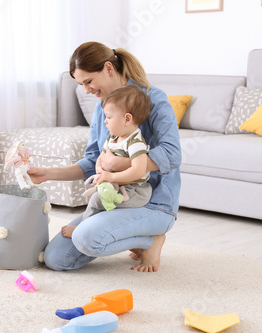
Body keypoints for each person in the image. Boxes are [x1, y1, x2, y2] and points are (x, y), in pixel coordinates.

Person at [27, 42, 181, 272]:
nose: (86, 90)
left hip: (153, 204)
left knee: (85, 238)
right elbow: (91, 161)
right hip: (116, 199)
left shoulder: (153, 99)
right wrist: (48, 174)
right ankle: (130, 233)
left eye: (89, 81)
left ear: (109, 68)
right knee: (56, 259)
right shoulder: (103, 107)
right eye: (81, 84)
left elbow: (173, 154)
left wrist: (121, 163)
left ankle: (151, 239)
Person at [80, 84, 153, 221]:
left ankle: (83, 226)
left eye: (109, 117)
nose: (105, 121)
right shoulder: (113, 138)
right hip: (116, 185)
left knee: (97, 200)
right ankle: (90, 225)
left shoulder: (135, 143)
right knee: (97, 198)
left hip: (135, 191)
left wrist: (112, 177)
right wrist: (100, 172)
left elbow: (139, 170)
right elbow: (101, 158)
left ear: (127, 119)